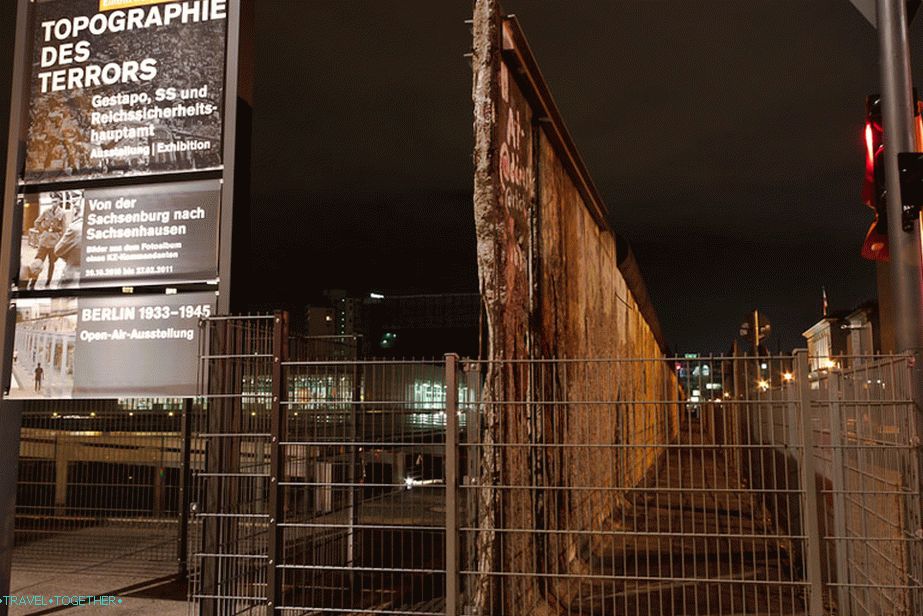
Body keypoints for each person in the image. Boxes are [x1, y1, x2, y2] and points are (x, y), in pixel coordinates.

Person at [29, 198, 65, 289]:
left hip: (54, 242)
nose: (53, 203)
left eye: (55, 202)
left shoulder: (62, 213)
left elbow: (64, 228)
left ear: (59, 202)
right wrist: (42, 232)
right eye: (52, 201)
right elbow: (36, 222)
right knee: (38, 262)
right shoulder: (46, 211)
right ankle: (32, 283)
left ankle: (48, 282)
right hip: (44, 242)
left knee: (52, 263)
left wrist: (59, 238)